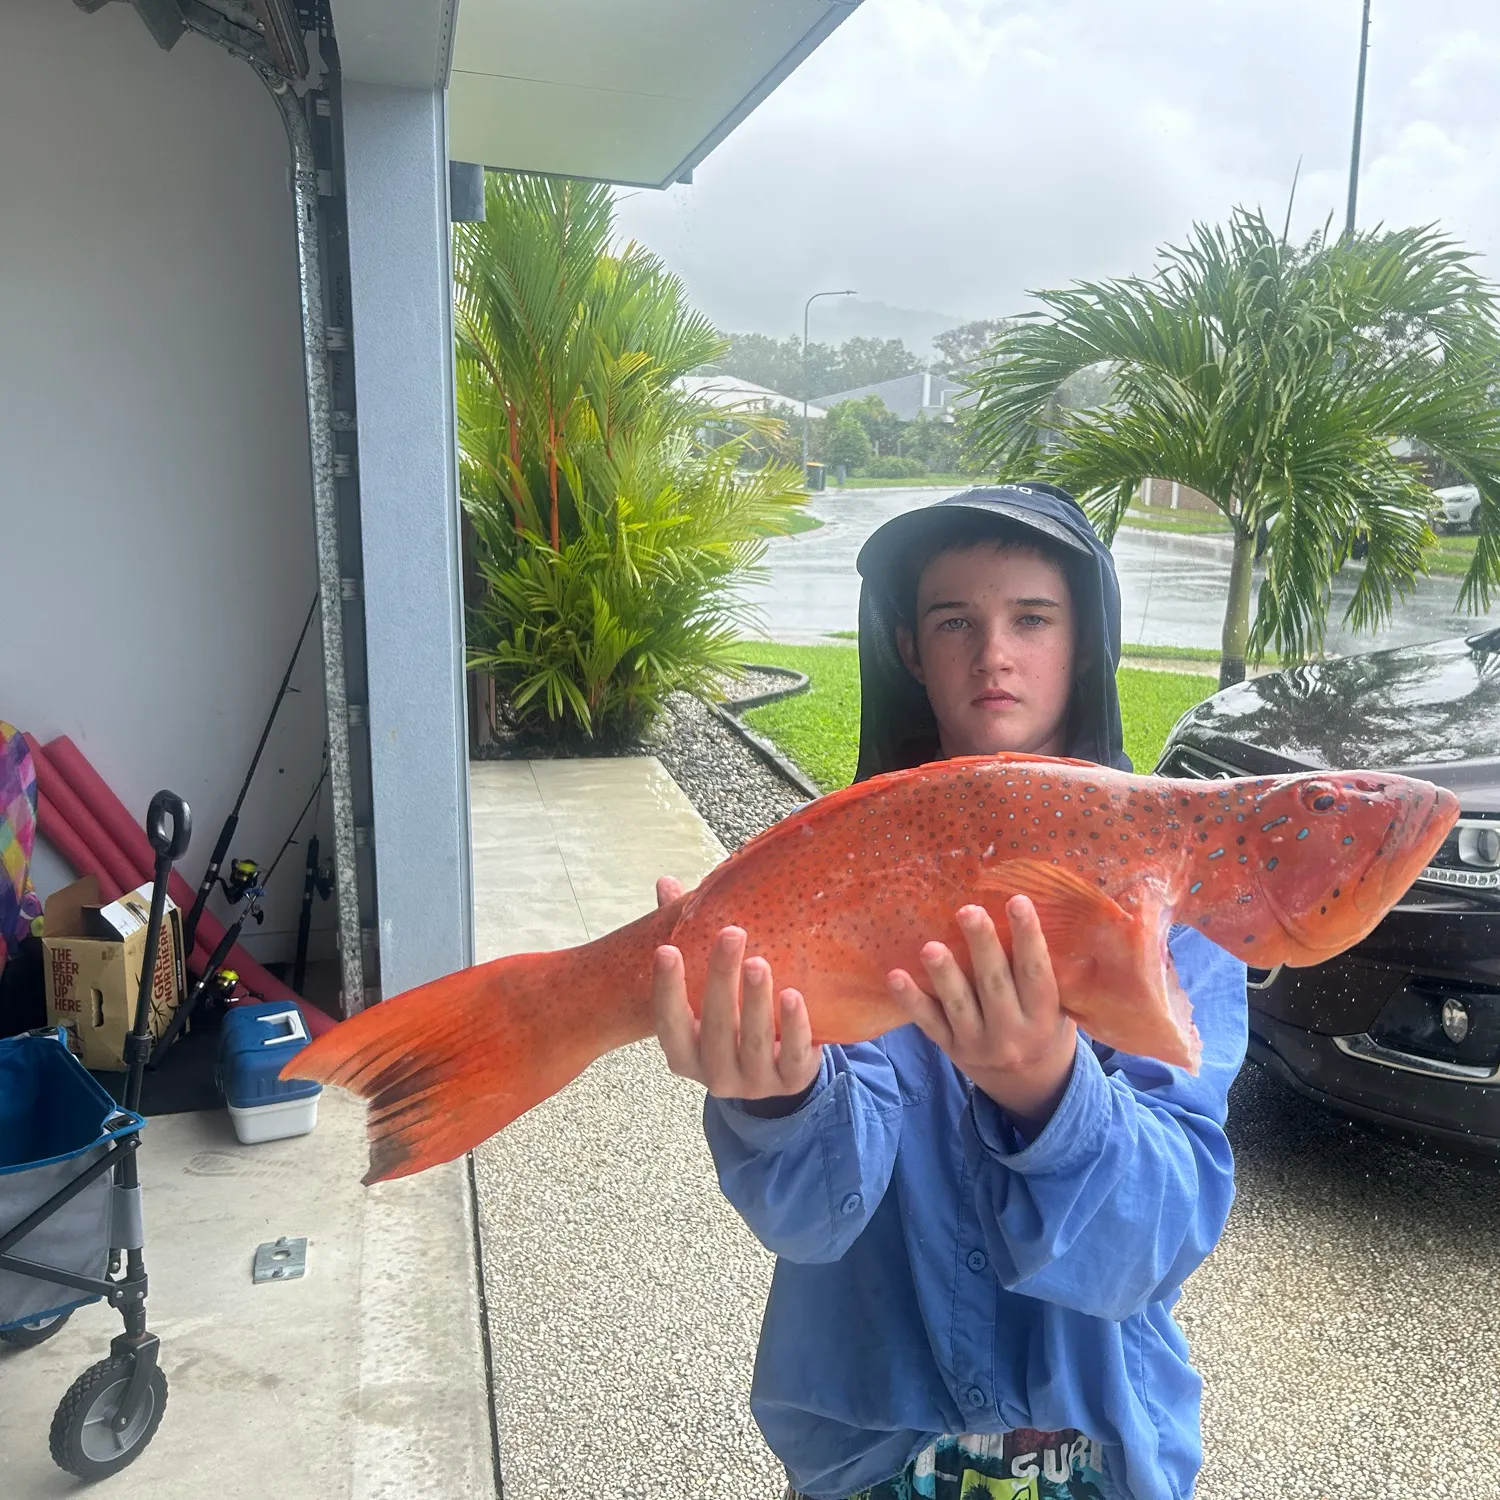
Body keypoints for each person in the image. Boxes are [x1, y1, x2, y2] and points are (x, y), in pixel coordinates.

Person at [651, 484, 1248, 1500]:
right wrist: (778, 1099)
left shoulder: (1171, 910)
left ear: (1087, 640)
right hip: (868, 1454)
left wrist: (1048, 1092)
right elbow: (810, 1218)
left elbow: (1156, 1237)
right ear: (908, 649)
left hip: (1098, 1450)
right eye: (954, 621)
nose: (993, 654)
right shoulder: (827, 883)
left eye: (1032, 618)